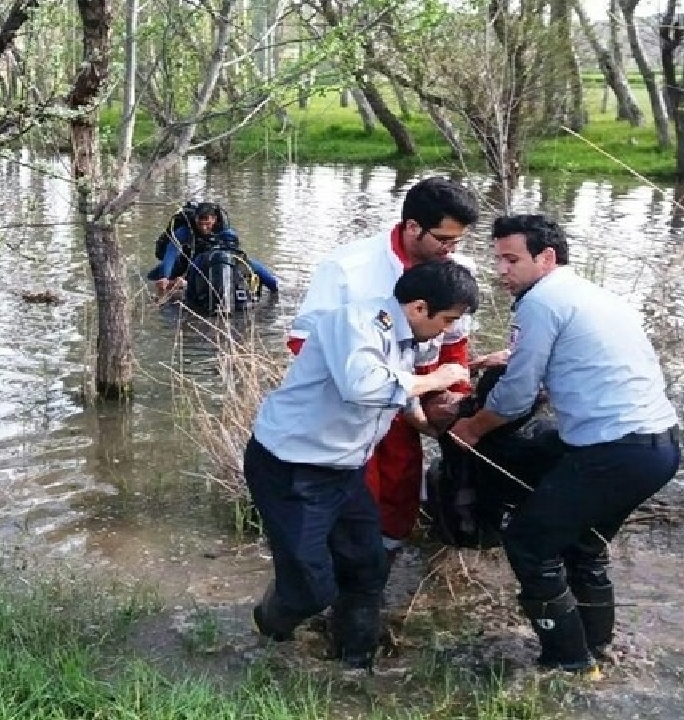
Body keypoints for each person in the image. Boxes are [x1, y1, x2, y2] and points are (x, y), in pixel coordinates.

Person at [450, 214, 682, 676]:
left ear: (547, 258)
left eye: (512, 260)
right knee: (583, 546)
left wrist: (472, 428)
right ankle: (598, 651)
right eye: (498, 259)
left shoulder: (540, 302)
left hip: (614, 450)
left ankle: (568, 664)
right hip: (660, 448)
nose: (501, 271)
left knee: (530, 543)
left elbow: (516, 395)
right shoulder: (590, 293)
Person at [247, 260, 479, 670]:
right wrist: (437, 379)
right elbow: (364, 386)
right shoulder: (356, 321)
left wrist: (431, 426)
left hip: (345, 468)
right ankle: (269, 629)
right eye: (447, 320)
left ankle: (356, 663)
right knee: (310, 590)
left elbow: (399, 389)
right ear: (419, 307)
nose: (446, 331)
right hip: (293, 468)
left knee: (367, 565)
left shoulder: (408, 336)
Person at [287, 176, 481, 558]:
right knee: (353, 495)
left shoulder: (457, 269)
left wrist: (449, 400)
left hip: (410, 400)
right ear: (412, 227)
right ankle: (342, 579)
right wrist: (373, 383)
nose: (451, 250)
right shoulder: (348, 268)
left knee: (399, 489)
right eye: (443, 239)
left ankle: (379, 569)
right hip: (347, 405)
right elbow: (302, 342)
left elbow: (455, 345)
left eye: (458, 241)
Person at [147, 201, 280, 299]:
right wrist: (164, 276)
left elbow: (236, 255)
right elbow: (171, 251)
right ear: (195, 219)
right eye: (200, 224)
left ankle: (275, 291)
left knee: (263, 274)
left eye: (208, 224)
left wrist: (185, 282)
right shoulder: (186, 230)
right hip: (190, 259)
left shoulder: (225, 231)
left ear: (214, 220)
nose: (204, 228)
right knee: (152, 277)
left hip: (213, 260)